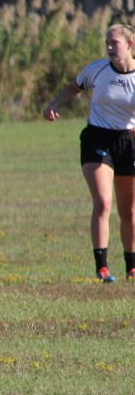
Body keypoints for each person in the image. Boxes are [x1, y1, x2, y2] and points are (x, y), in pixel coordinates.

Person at [43, 22, 135, 282]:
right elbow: (74, 87)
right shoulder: (97, 70)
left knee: (128, 211)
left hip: (129, 143)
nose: (108, 47)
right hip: (97, 139)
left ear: (129, 45)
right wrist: (53, 103)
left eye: (113, 43)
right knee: (104, 202)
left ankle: (132, 267)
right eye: (106, 42)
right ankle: (102, 268)